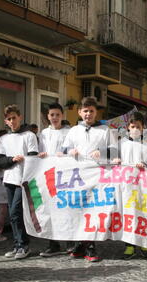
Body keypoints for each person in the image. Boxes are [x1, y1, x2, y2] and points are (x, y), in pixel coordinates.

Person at [61, 97, 118, 263]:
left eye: (91, 111)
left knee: (92, 211)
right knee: (78, 210)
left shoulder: (105, 130)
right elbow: (64, 149)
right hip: (78, 177)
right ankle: (80, 243)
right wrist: (70, 151)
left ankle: (90, 246)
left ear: (96, 112)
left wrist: (102, 151)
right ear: (79, 112)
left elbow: (114, 151)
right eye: (85, 111)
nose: (88, 114)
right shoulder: (73, 131)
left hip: (97, 177)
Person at [0, 105, 39, 260]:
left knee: (15, 212)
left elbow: (34, 159)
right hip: (9, 179)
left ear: (20, 117)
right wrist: (12, 159)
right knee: (13, 215)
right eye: (9, 119)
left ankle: (23, 245)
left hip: (24, 181)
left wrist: (24, 162)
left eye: (14, 117)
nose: (12, 121)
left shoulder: (29, 136)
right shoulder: (3, 139)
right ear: (5, 121)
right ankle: (17, 244)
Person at [112, 112, 147, 260]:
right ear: (128, 127)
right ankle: (129, 244)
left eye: (138, 127)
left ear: (143, 128)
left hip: (142, 186)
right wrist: (115, 159)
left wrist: (145, 164)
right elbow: (114, 157)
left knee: (142, 213)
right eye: (133, 126)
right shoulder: (122, 143)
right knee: (127, 214)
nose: (135, 129)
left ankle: (143, 242)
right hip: (126, 185)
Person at [37, 103, 73, 257]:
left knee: (66, 209)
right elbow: (38, 153)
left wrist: (65, 155)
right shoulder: (43, 133)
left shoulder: (69, 132)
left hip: (65, 176)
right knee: (50, 210)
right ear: (48, 116)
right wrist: (41, 155)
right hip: (49, 176)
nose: (55, 118)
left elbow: (71, 152)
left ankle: (71, 242)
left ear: (62, 116)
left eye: (58, 115)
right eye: (52, 115)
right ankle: (53, 243)